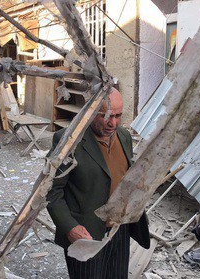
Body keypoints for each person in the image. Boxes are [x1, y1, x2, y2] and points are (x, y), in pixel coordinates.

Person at [47, 88, 150, 279]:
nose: (113, 123)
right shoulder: (68, 140)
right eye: (107, 116)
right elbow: (51, 192)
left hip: (119, 230)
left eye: (118, 116)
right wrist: (70, 227)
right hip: (86, 234)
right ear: (91, 112)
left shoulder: (124, 136)